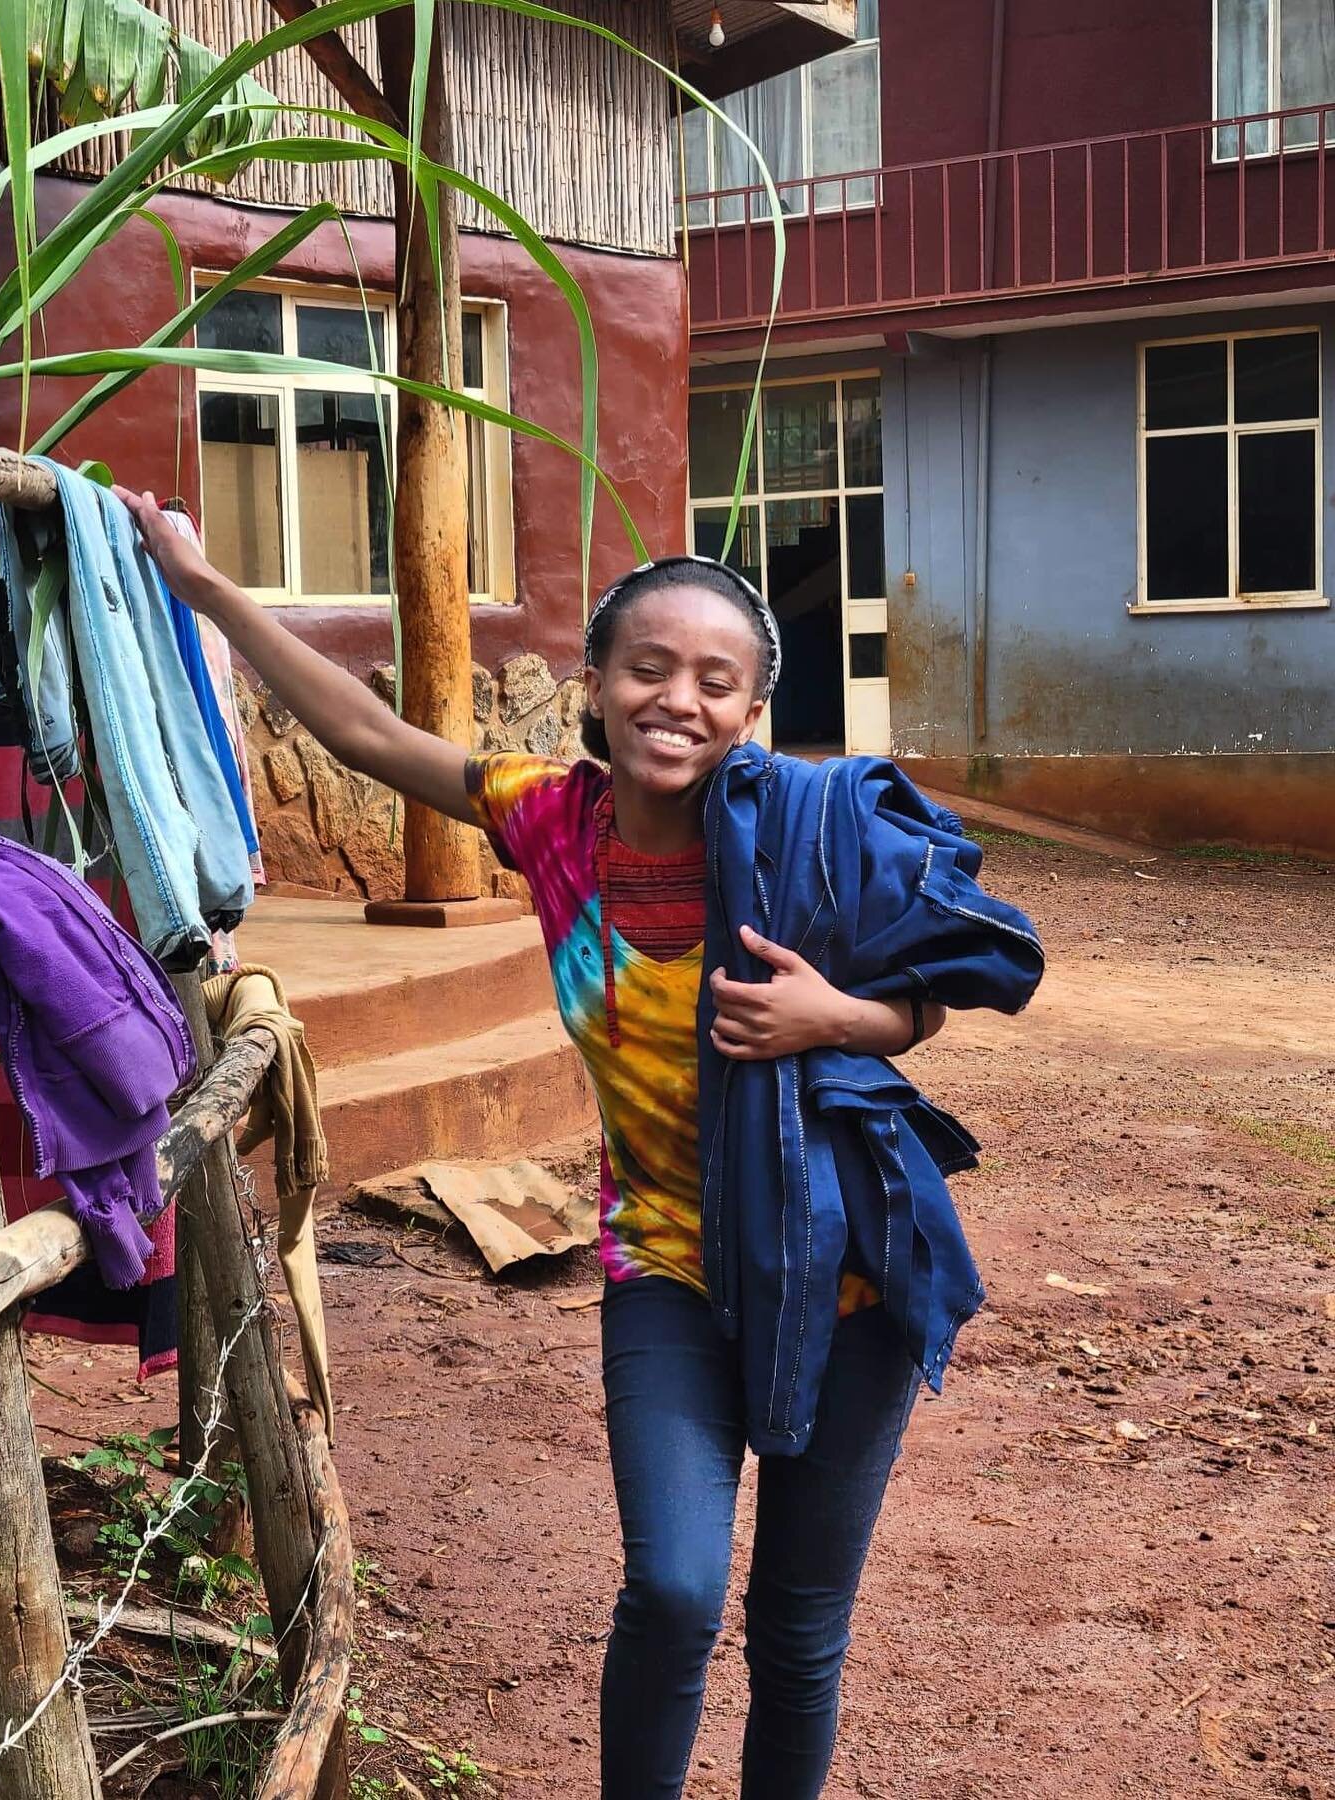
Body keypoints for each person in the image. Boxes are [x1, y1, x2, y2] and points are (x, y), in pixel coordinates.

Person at [117, 490, 1041, 1798]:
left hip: (850, 1272)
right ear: (594, 687)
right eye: (648, 667)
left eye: (717, 681)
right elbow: (371, 732)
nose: (679, 699)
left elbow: (965, 967)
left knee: (795, 1632)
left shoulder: (804, 836)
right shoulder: (551, 822)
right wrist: (208, 590)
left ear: (750, 711)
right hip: (663, 1257)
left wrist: (838, 1014)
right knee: (670, 1590)